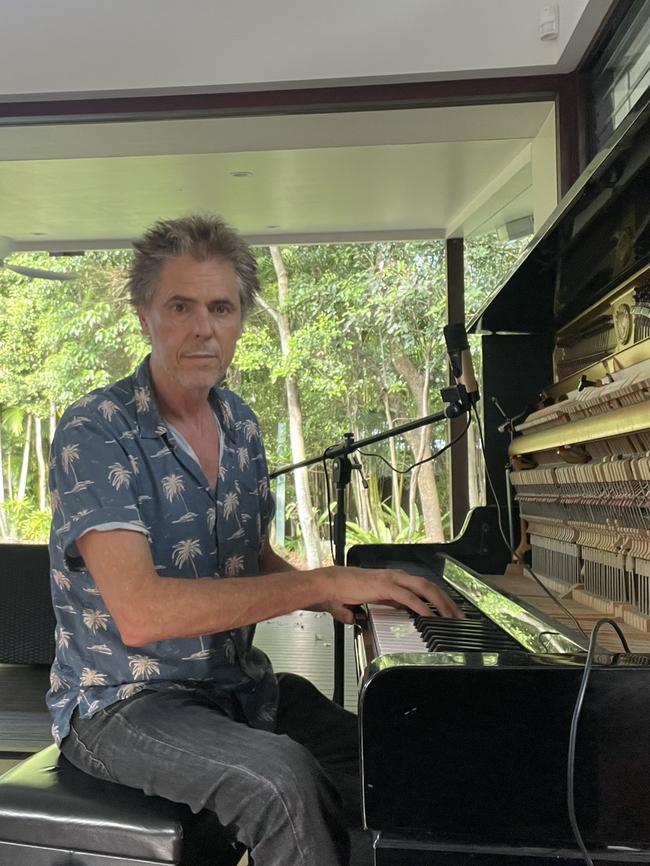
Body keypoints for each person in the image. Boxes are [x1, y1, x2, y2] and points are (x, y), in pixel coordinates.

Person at [47, 214, 462, 866]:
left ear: (241, 319)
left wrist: (334, 593)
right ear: (144, 315)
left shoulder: (239, 422)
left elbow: (247, 555)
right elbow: (141, 612)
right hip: (123, 706)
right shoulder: (96, 432)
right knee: (282, 784)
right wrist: (321, 582)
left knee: (397, 756)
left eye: (221, 307)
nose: (203, 327)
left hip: (236, 687)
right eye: (180, 306)